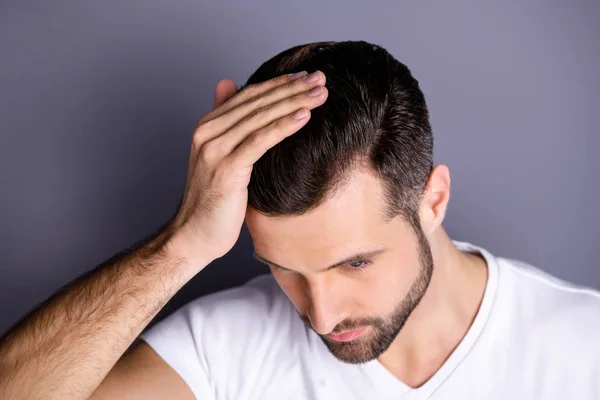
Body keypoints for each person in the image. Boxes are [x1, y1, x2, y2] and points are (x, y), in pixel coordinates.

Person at [0, 40, 598, 400]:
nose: (321, 314)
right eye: (284, 269)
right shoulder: (227, 347)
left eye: (355, 261)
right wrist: (180, 248)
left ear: (433, 199)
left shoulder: (582, 347)